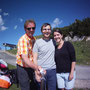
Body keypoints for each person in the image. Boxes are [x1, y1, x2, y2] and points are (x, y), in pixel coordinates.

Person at [16, 19, 41, 90]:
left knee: (35, 84)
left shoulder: (34, 38)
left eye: (33, 28)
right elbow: (25, 59)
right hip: (22, 67)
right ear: (25, 29)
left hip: (31, 66)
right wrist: (37, 68)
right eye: (29, 28)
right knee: (25, 87)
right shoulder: (23, 40)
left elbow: (35, 53)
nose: (31, 30)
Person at [33, 23, 56, 90]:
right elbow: (34, 58)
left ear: (50, 31)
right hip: (41, 71)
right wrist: (36, 73)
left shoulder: (54, 41)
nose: (47, 31)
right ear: (42, 31)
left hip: (52, 71)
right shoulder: (37, 42)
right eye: (45, 29)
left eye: (49, 29)